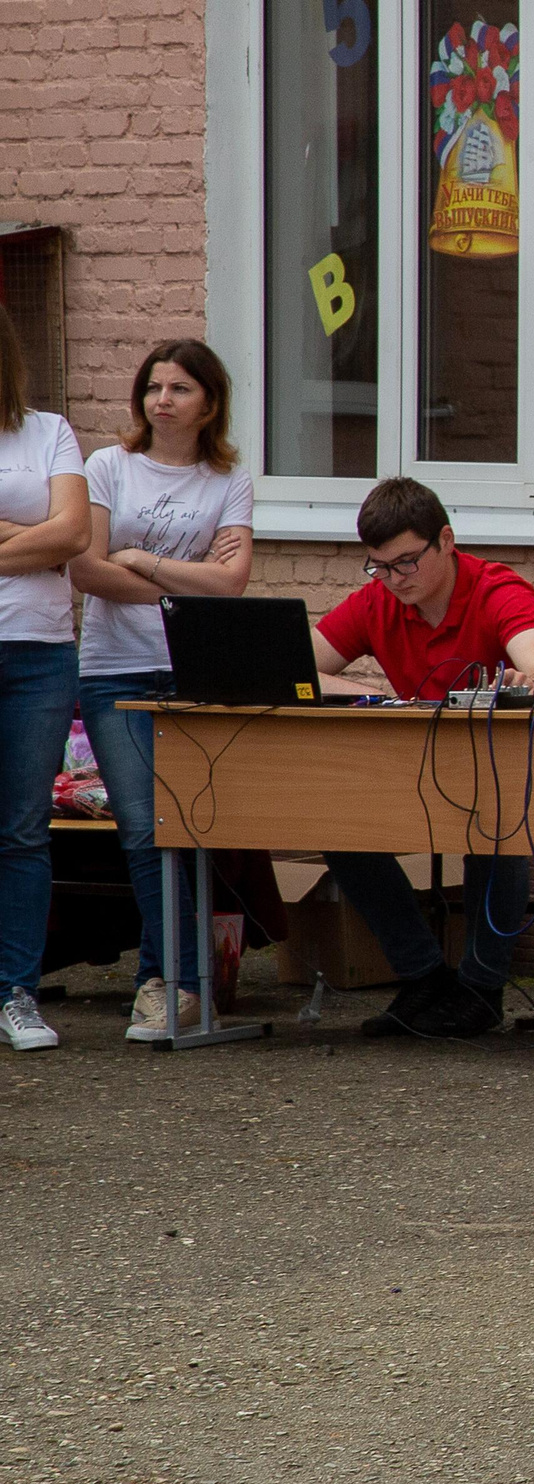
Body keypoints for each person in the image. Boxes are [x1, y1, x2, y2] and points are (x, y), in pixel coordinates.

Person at [309, 477, 534, 1040]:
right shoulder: (378, 601)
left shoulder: (497, 589)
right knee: (336, 822)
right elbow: (291, 664)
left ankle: (482, 990)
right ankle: (425, 977)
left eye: (406, 563)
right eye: (378, 567)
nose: (393, 580)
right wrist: (361, 692)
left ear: (447, 541)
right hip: (433, 774)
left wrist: (529, 681)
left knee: (499, 820)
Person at [68, 339, 254, 1040]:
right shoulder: (108, 466)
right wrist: (188, 577)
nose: (162, 400)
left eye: (179, 388)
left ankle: (159, 982)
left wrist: (141, 559)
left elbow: (232, 585)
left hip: (196, 670)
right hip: (113, 667)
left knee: (194, 824)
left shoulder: (226, 480)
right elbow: (87, 571)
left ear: (209, 401)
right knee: (145, 828)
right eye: (153, 387)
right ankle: (181, 979)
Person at [0, 304, 90, 1052]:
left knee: (24, 828)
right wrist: (37, 544)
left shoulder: (49, 430)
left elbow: (76, 533)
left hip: (38, 651)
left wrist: (41, 540)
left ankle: (17, 993)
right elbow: (52, 538)